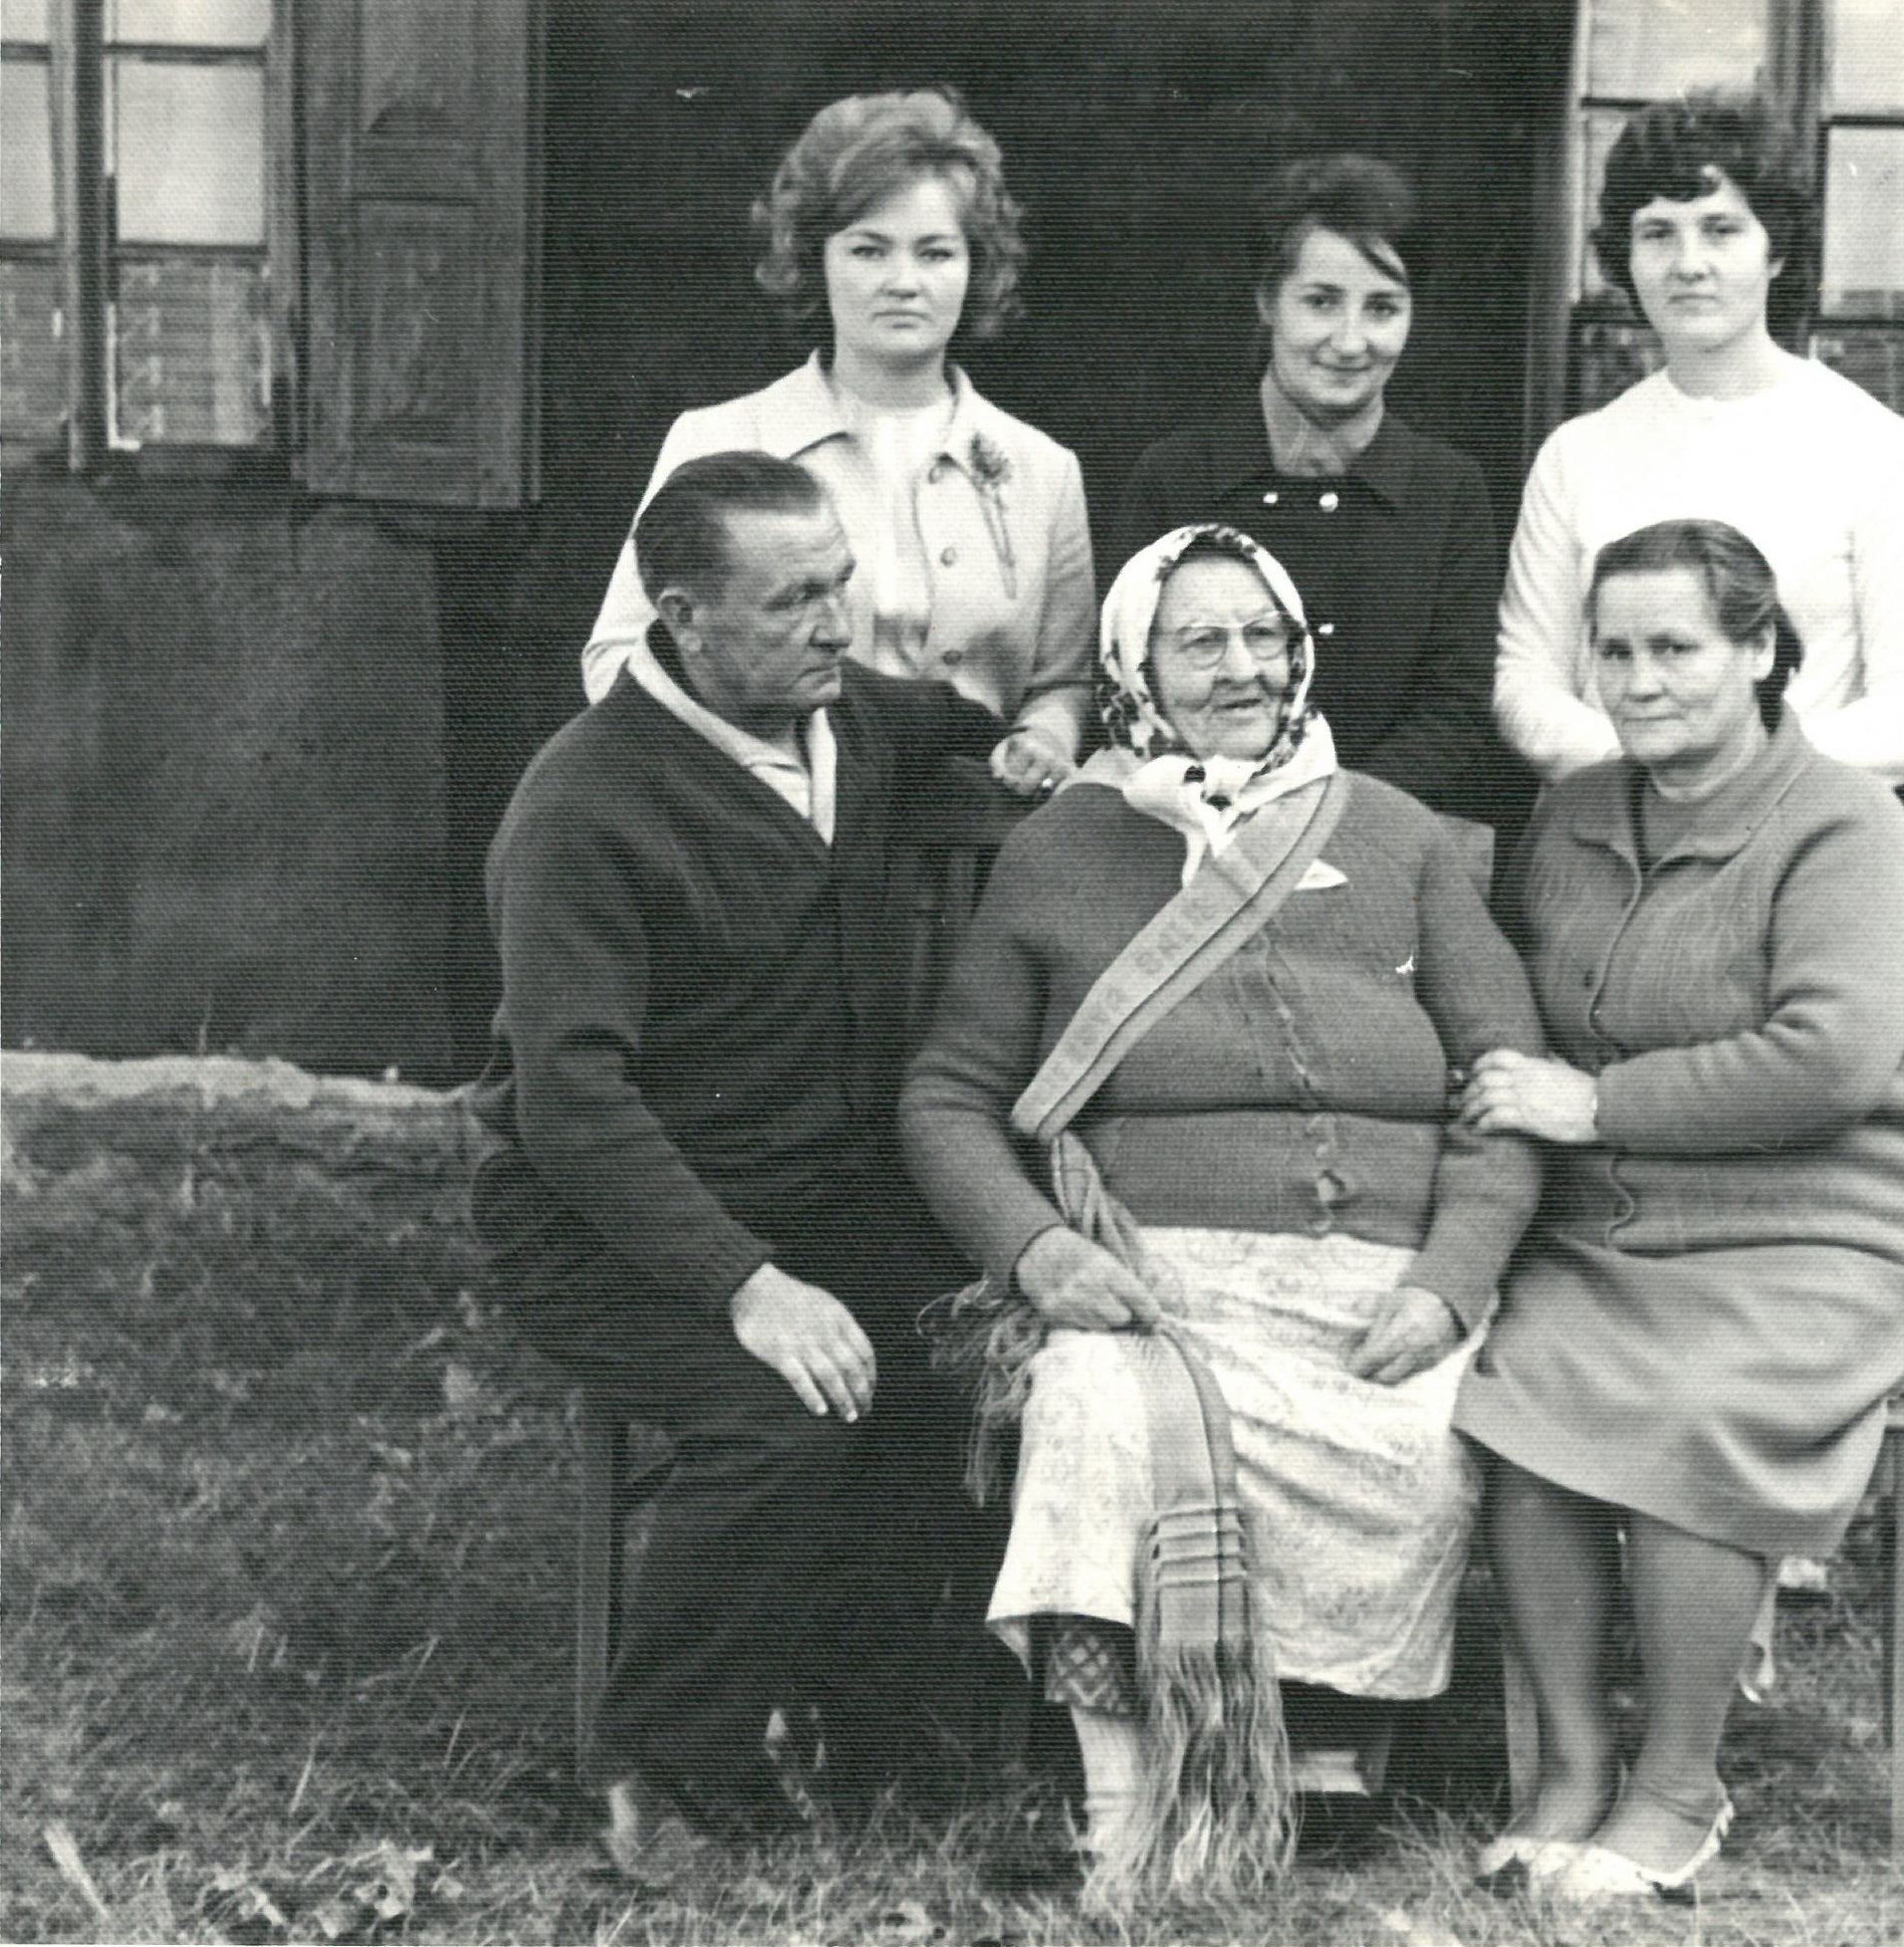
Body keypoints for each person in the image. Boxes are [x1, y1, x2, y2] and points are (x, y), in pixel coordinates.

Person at [899, 522, 1544, 1908]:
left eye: (1263, 633)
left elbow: (1506, 1089)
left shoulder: (1390, 830)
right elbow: (946, 1098)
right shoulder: (1068, 846)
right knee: (1088, 1408)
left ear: (1302, 647)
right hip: (1156, 1276)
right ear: (1137, 666)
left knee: (1421, 1432)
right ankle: (1125, 1792)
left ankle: (1313, 1745)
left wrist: (1449, 1278)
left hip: (1382, 1271)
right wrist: (1038, 1248)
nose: (1241, 665)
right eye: (1199, 640)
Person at [470, 452, 1006, 1882]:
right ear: (681, 617)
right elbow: (569, 1103)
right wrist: (747, 1287)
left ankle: (864, 1711)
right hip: (606, 1216)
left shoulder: (839, 716)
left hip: (815, 1186)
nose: (842, 621)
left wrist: (1029, 746)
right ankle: (663, 1768)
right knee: (778, 1415)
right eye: (795, 600)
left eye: (843, 582)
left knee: (969, 1347)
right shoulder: (584, 805)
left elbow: (939, 713)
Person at [1456, 519, 1904, 1902]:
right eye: (1610, 650)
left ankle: (1677, 1787)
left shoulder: (1845, 822)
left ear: (1755, 651)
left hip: (1823, 1230)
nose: (1638, 678)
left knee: (1689, 1404)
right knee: (1515, 1391)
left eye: (1674, 646)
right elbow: (1508, 1006)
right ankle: (1568, 1767)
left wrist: (1595, 1105)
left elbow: (1832, 1058)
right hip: (1613, 1226)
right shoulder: (1570, 812)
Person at [583, 87, 1090, 799]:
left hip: (977, 856)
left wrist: (1043, 738)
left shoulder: (1043, 471)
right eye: (868, 249)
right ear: (813, 257)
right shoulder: (721, 438)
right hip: (767, 846)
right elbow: (618, 661)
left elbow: (1061, 681)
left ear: (977, 266)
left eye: (936, 252)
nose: (903, 283)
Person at [1494, 94, 1904, 791]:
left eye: (1720, 230)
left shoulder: (1877, 450)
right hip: (1603, 834)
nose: (1689, 263)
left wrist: (1740, 776)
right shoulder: (1577, 455)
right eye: (1657, 233)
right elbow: (1524, 684)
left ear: (1775, 250)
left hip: (1800, 834)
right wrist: (1644, 773)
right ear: (1624, 257)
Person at [1113, 154, 1519, 829]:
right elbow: (1134, 685)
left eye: (1382, 307)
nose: (1350, 341)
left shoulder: (1449, 493)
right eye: (1321, 301)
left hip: (1383, 836)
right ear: (1267, 300)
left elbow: (1454, 709)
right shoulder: (1175, 478)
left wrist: (1323, 820)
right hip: (1193, 837)